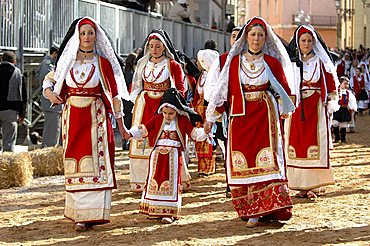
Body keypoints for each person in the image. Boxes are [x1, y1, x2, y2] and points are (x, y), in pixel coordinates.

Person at [205, 17, 296, 227]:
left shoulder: (272, 62)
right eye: (253, 34)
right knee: (244, 161)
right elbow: (223, 91)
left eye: (260, 35)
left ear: (266, 38)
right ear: (246, 37)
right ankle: (249, 208)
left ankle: (266, 207)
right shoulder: (234, 62)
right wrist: (212, 117)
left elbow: (285, 90)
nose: (256, 39)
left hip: (265, 116)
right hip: (241, 118)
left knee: (266, 160)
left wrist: (285, 109)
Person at [42, 17, 129, 231]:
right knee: (76, 162)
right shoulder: (67, 62)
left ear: (96, 37)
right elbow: (50, 81)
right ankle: (79, 214)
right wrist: (49, 94)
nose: (87, 37)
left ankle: (94, 212)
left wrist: (122, 126)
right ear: (77, 37)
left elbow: (115, 96)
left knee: (94, 165)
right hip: (72, 120)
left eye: (91, 33)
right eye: (83, 33)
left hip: (96, 119)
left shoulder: (103, 64)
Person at [128, 88, 208, 224]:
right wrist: (130, 133)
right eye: (165, 112)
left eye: (170, 113)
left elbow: (194, 134)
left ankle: (169, 212)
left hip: (174, 156)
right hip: (157, 155)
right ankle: (154, 209)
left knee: (171, 183)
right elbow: (144, 129)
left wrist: (205, 131)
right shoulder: (158, 118)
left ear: (177, 111)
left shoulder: (183, 120)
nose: (167, 116)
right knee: (155, 181)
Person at [285, 24, 339, 200]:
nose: (306, 44)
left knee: (314, 146)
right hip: (296, 109)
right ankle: (300, 185)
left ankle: (314, 187)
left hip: (315, 108)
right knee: (296, 146)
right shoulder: (292, 63)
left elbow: (331, 84)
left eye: (309, 40)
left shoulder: (321, 62)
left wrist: (331, 101)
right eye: (303, 40)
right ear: (298, 42)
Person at [129, 29, 186, 193]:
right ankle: (141, 181)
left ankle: (167, 178)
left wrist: (174, 105)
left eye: (158, 46)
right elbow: (136, 85)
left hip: (163, 106)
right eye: (151, 46)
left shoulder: (172, 65)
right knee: (142, 140)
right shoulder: (142, 64)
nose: (154, 49)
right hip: (145, 104)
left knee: (164, 140)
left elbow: (180, 88)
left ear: (164, 47)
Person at [192, 49, 219, 176]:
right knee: (200, 139)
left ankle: (209, 167)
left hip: (209, 112)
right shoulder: (201, 76)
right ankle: (201, 167)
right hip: (199, 112)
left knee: (209, 139)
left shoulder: (214, 76)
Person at [0, 51, 27, 152]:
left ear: (1, 60)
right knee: (9, 141)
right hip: (10, 110)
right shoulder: (18, 74)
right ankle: (6, 164)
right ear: (14, 61)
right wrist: (22, 114)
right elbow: (23, 96)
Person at [39, 45, 62, 147]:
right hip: (51, 102)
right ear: (54, 54)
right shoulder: (47, 64)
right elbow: (48, 82)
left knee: (55, 129)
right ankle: (48, 149)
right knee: (52, 131)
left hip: (54, 103)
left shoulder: (50, 64)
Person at [332, 76, 357, 143]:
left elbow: (352, 101)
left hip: (344, 110)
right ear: (340, 83)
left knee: (343, 124)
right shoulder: (335, 91)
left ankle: (343, 138)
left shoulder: (348, 92)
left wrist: (353, 107)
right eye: (345, 83)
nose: (346, 85)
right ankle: (337, 137)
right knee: (335, 123)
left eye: (347, 84)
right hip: (336, 109)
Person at [122, 52, 138, 150]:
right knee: (129, 122)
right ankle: (127, 142)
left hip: (124, 100)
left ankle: (125, 142)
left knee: (125, 122)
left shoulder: (124, 72)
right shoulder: (131, 74)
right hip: (129, 100)